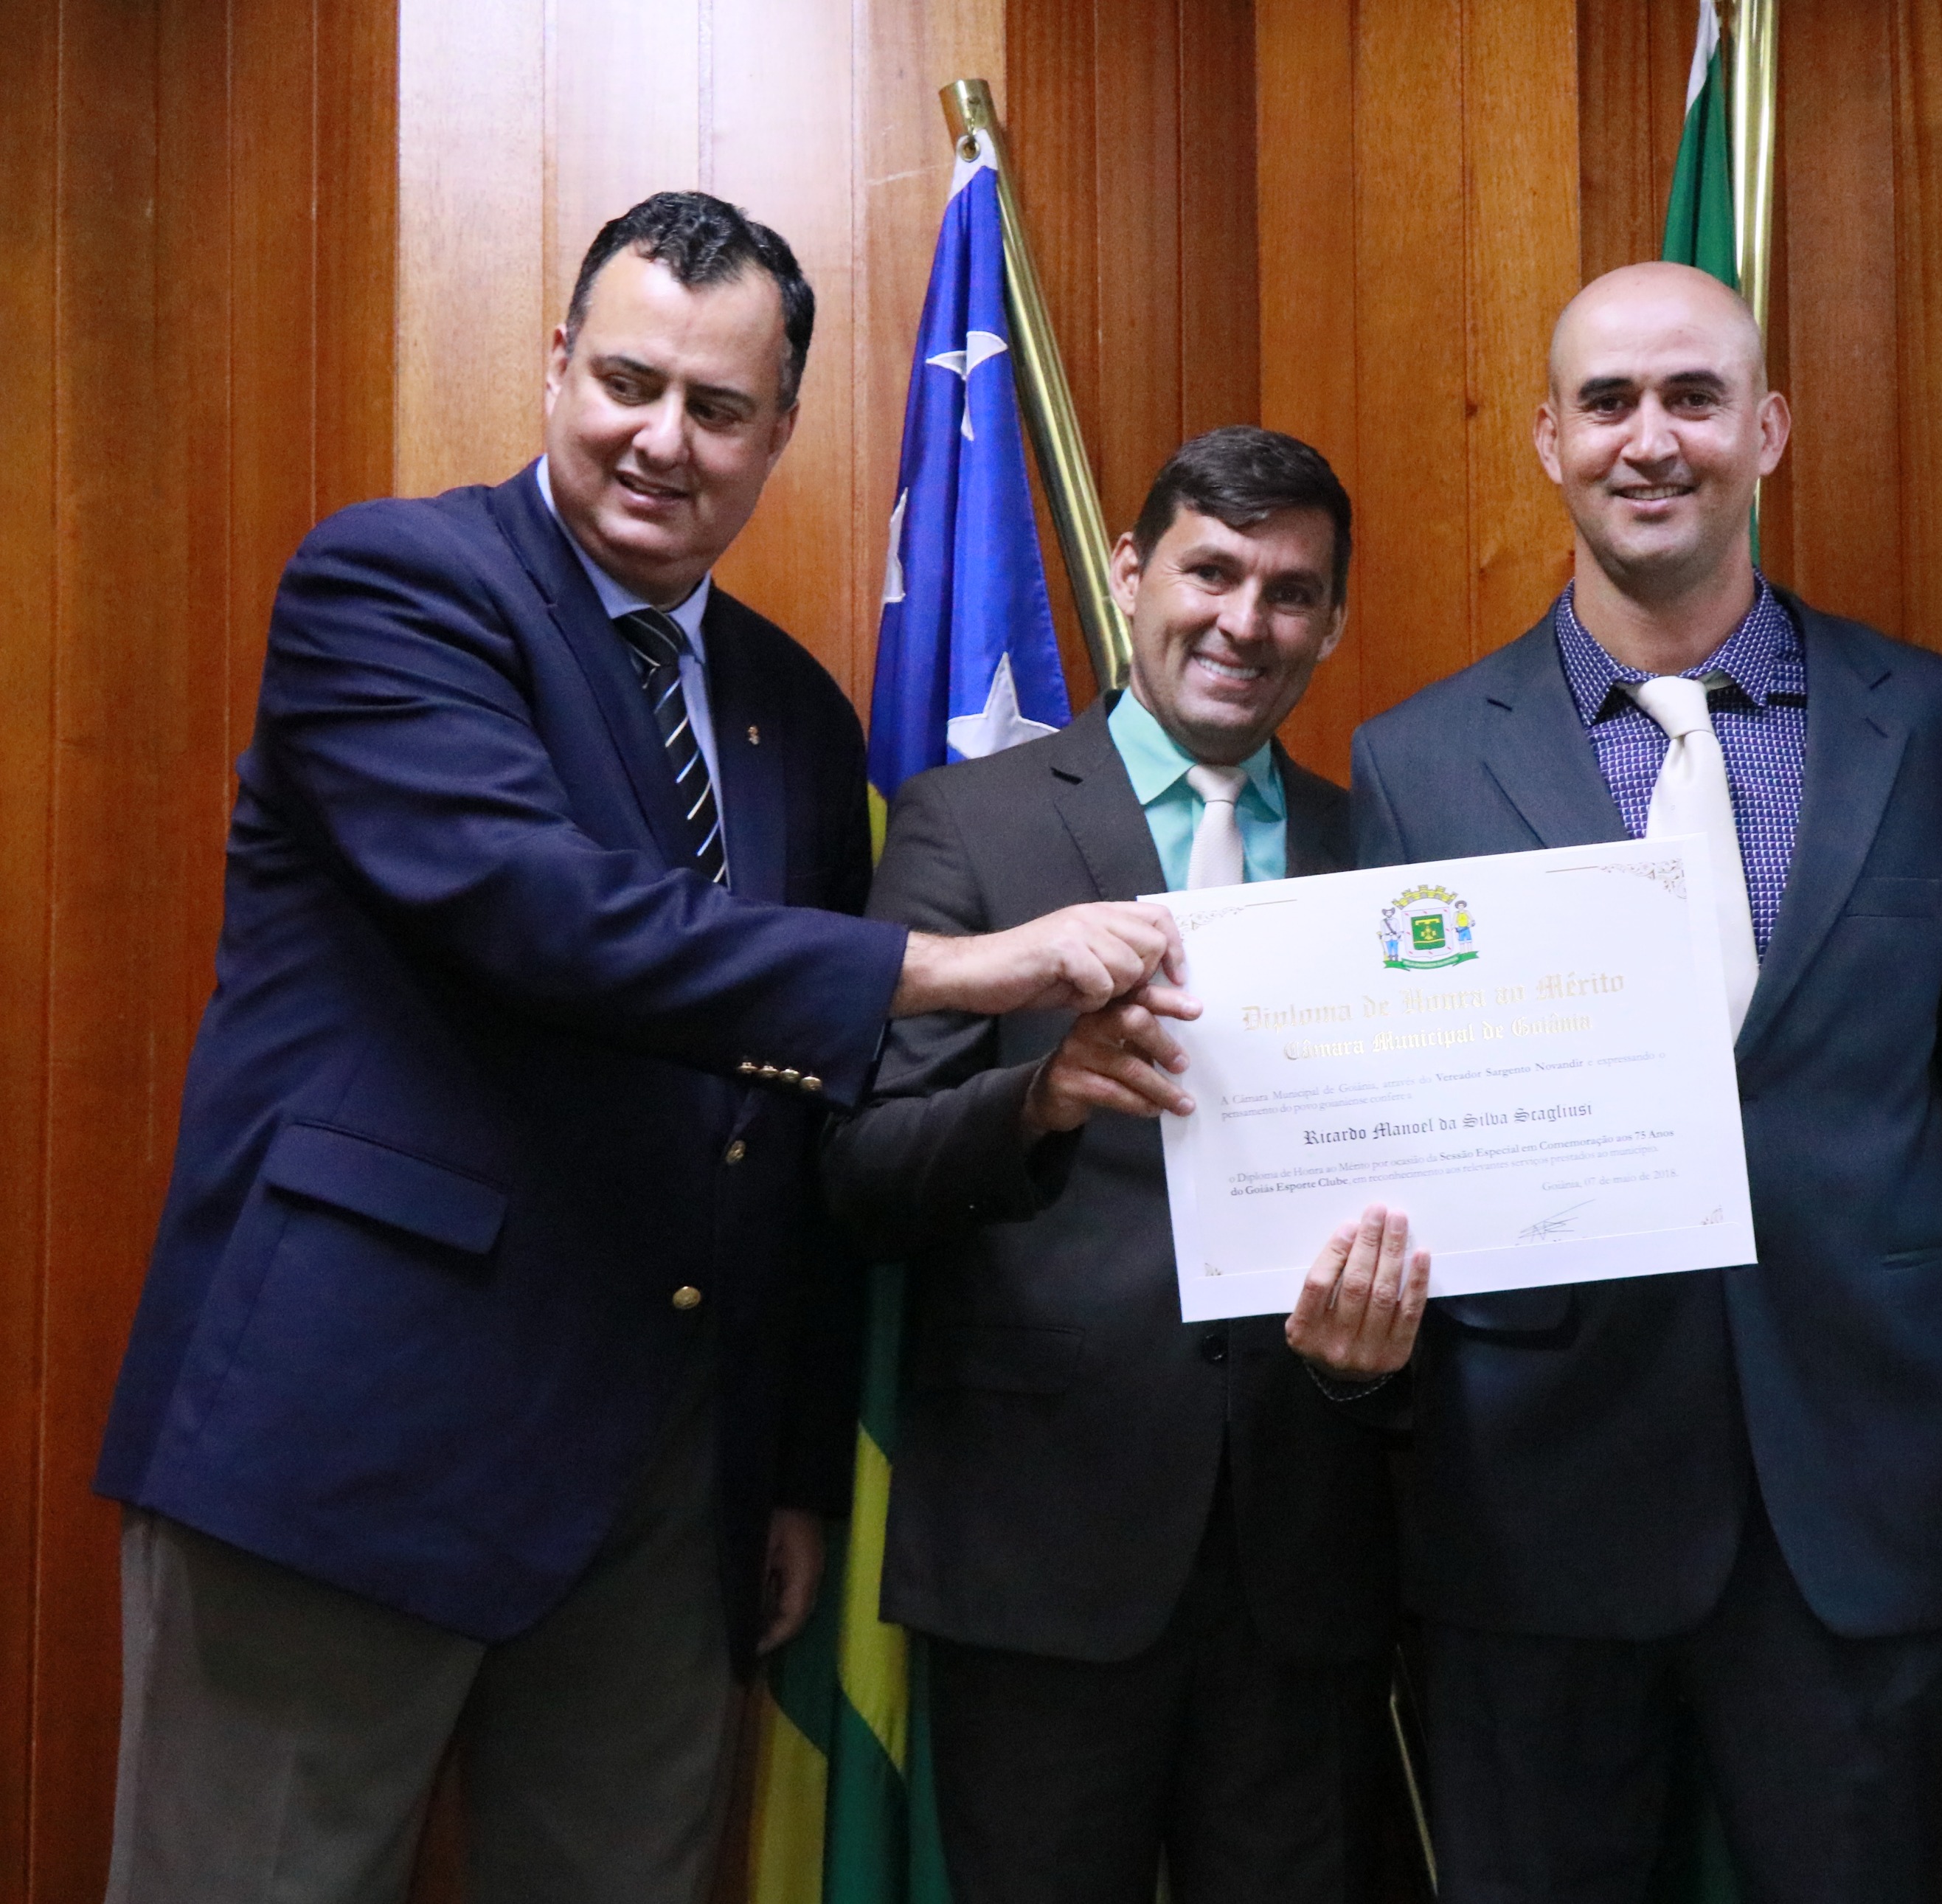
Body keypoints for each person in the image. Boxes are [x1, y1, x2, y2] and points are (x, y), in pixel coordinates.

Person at [93, 191, 1187, 1904]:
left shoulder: (795, 715)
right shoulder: (394, 586)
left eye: (719, 407)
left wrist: (791, 1466)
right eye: (627, 381)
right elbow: (552, 918)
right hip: (346, 1438)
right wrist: (962, 967)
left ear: (779, 432)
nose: (663, 439)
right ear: (556, 364)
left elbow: (795, 1122)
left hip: (667, 1493)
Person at [1340, 261, 1942, 1902]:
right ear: (1547, 439)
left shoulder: (1938, 724)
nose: (1650, 438)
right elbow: (1397, 1134)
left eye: (1694, 397)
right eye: (1607, 401)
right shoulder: (1415, 760)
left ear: (1769, 429)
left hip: (1856, 1495)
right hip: (1535, 1505)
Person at [822, 426, 1421, 1904]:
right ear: (1130, 569)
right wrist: (1041, 1098)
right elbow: (862, 1173)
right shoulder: (968, 824)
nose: (1244, 621)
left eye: (1291, 592)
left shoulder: (1384, 849)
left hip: (1309, 1558)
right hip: (1040, 1552)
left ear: (1334, 621)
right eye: (1211, 572)